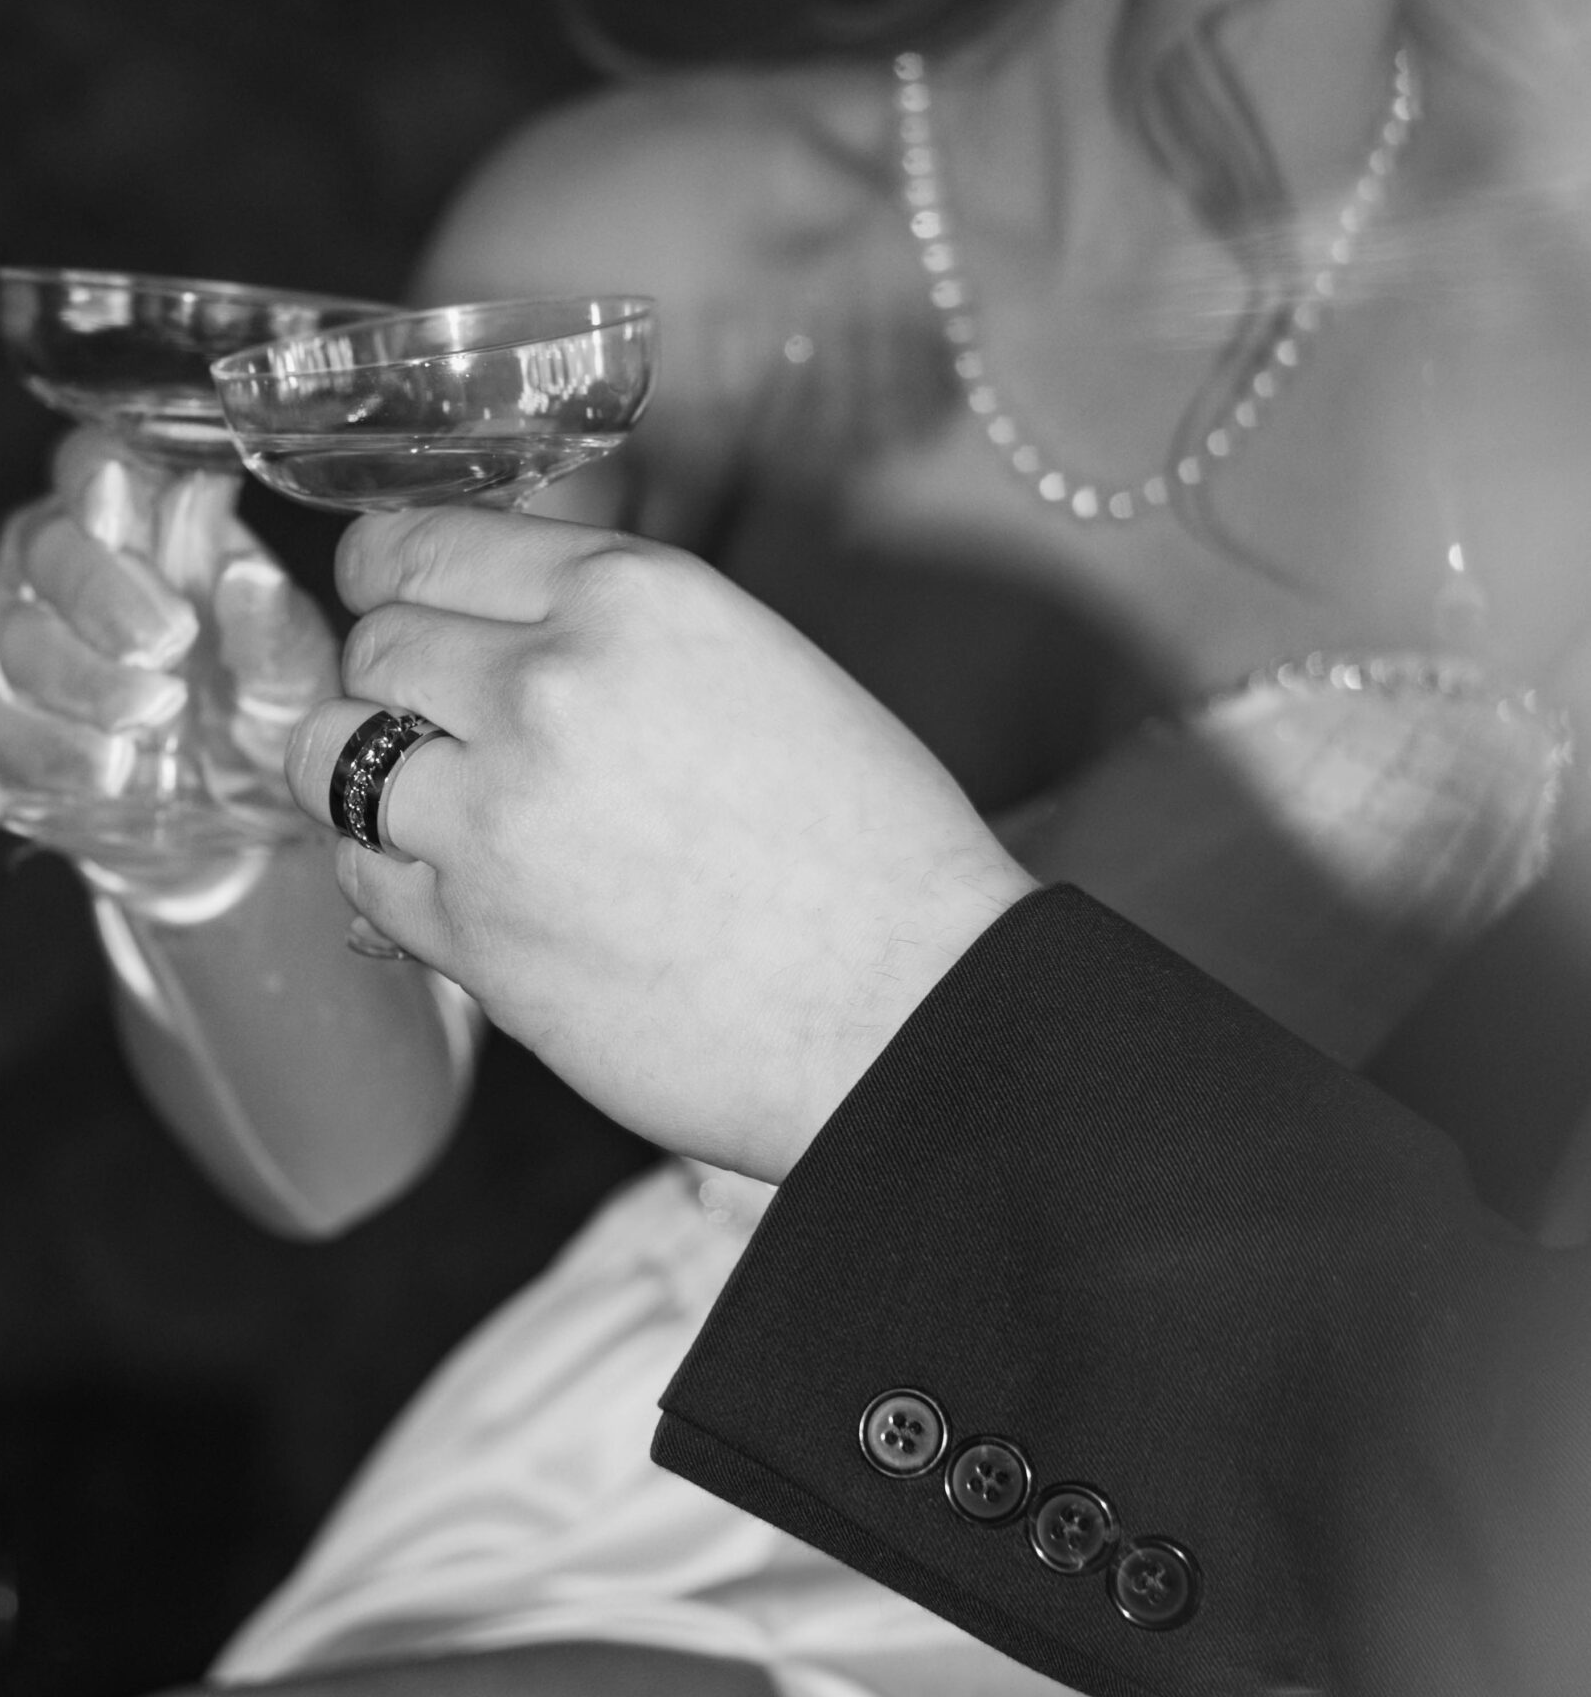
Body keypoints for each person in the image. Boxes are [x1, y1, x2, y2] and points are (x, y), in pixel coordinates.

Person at [0, 0, 1591, 1686]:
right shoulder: (643, 241)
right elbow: (353, 1148)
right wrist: (191, 829)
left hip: (1255, 1542)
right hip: (642, 1494)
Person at [284, 495, 1591, 1697]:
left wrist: (893, 1004)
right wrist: (204, 865)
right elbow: (338, 1153)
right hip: (622, 1426)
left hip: (1076, 1508)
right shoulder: (669, 320)